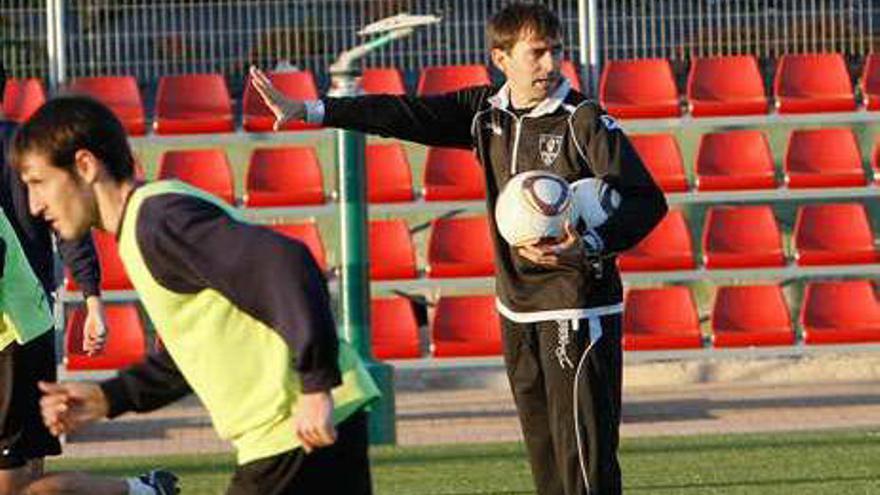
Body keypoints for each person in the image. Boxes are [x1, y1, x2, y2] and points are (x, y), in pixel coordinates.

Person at [250, 3, 667, 494]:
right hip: (516, 310)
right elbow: (404, 113)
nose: (551, 65)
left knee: (584, 465)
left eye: (556, 51)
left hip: (577, 309)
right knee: (547, 463)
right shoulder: (485, 112)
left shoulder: (584, 120)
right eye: (536, 53)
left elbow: (646, 201)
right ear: (500, 57)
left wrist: (588, 245)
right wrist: (311, 111)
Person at [11, 95, 380, 495]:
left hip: (296, 431)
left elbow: (286, 261)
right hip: (301, 430)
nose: (33, 205)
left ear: (85, 165)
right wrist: (108, 397)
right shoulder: (145, 223)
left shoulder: (157, 222)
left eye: (38, 183)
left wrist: (315, 386)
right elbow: (193, 352)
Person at [0, 63, 113, 495]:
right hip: (36, 317)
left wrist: (93, 297)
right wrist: (92, 299)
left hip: (10, 325)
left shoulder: (23, 148)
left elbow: (67, 225)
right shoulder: (28, 146)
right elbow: (70, 225)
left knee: (15, 461)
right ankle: (141, 488)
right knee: (30, 457)